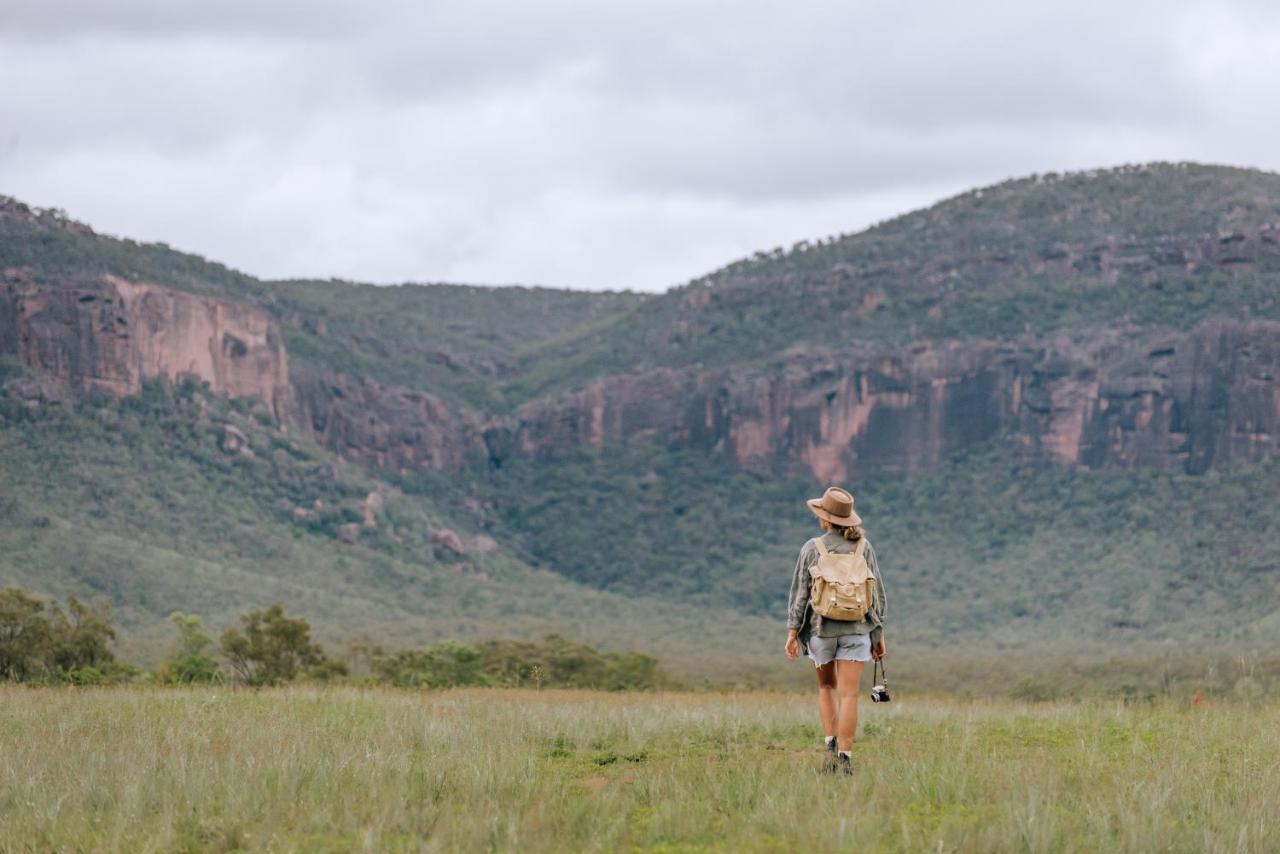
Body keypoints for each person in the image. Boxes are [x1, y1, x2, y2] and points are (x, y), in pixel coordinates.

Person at [785, 486, 887, 775]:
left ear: (826, 518)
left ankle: (829, 752)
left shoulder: (811, 548)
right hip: (857, 631)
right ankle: (846, 759)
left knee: (827, 688)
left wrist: (793, 632)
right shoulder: (864, 547)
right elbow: (876, 597)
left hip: (820, 631)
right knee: (850, 695)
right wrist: (878, 635)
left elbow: (800, 596)